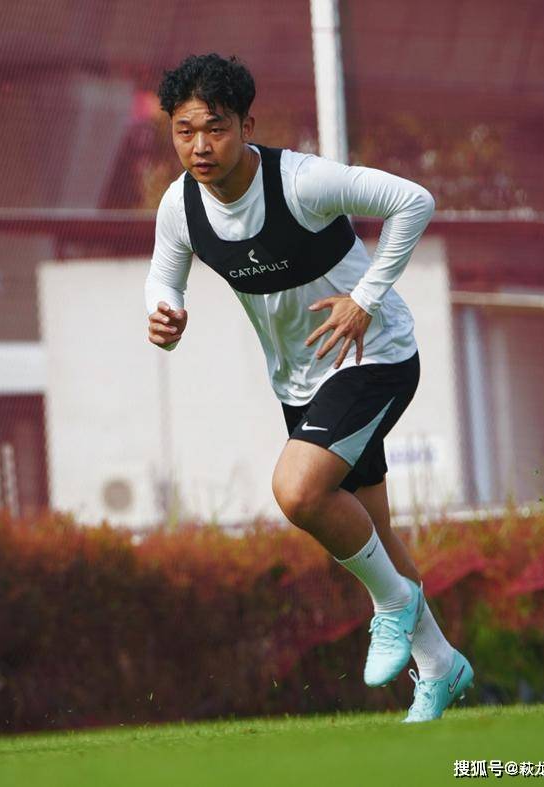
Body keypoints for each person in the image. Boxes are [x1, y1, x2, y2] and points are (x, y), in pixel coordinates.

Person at [144, 53, 473, 722]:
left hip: (374, 357)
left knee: (297, 490)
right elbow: (164, 279)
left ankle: (394, 604)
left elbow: (413, 201)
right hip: (299, 385)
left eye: (215, 128)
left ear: (247, 126)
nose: (200, 146)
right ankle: (440, 665)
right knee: (374, 532)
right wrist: (165, 315)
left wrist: (364, 298)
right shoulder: (180, 206)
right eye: (184, 130)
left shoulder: (300, 181)